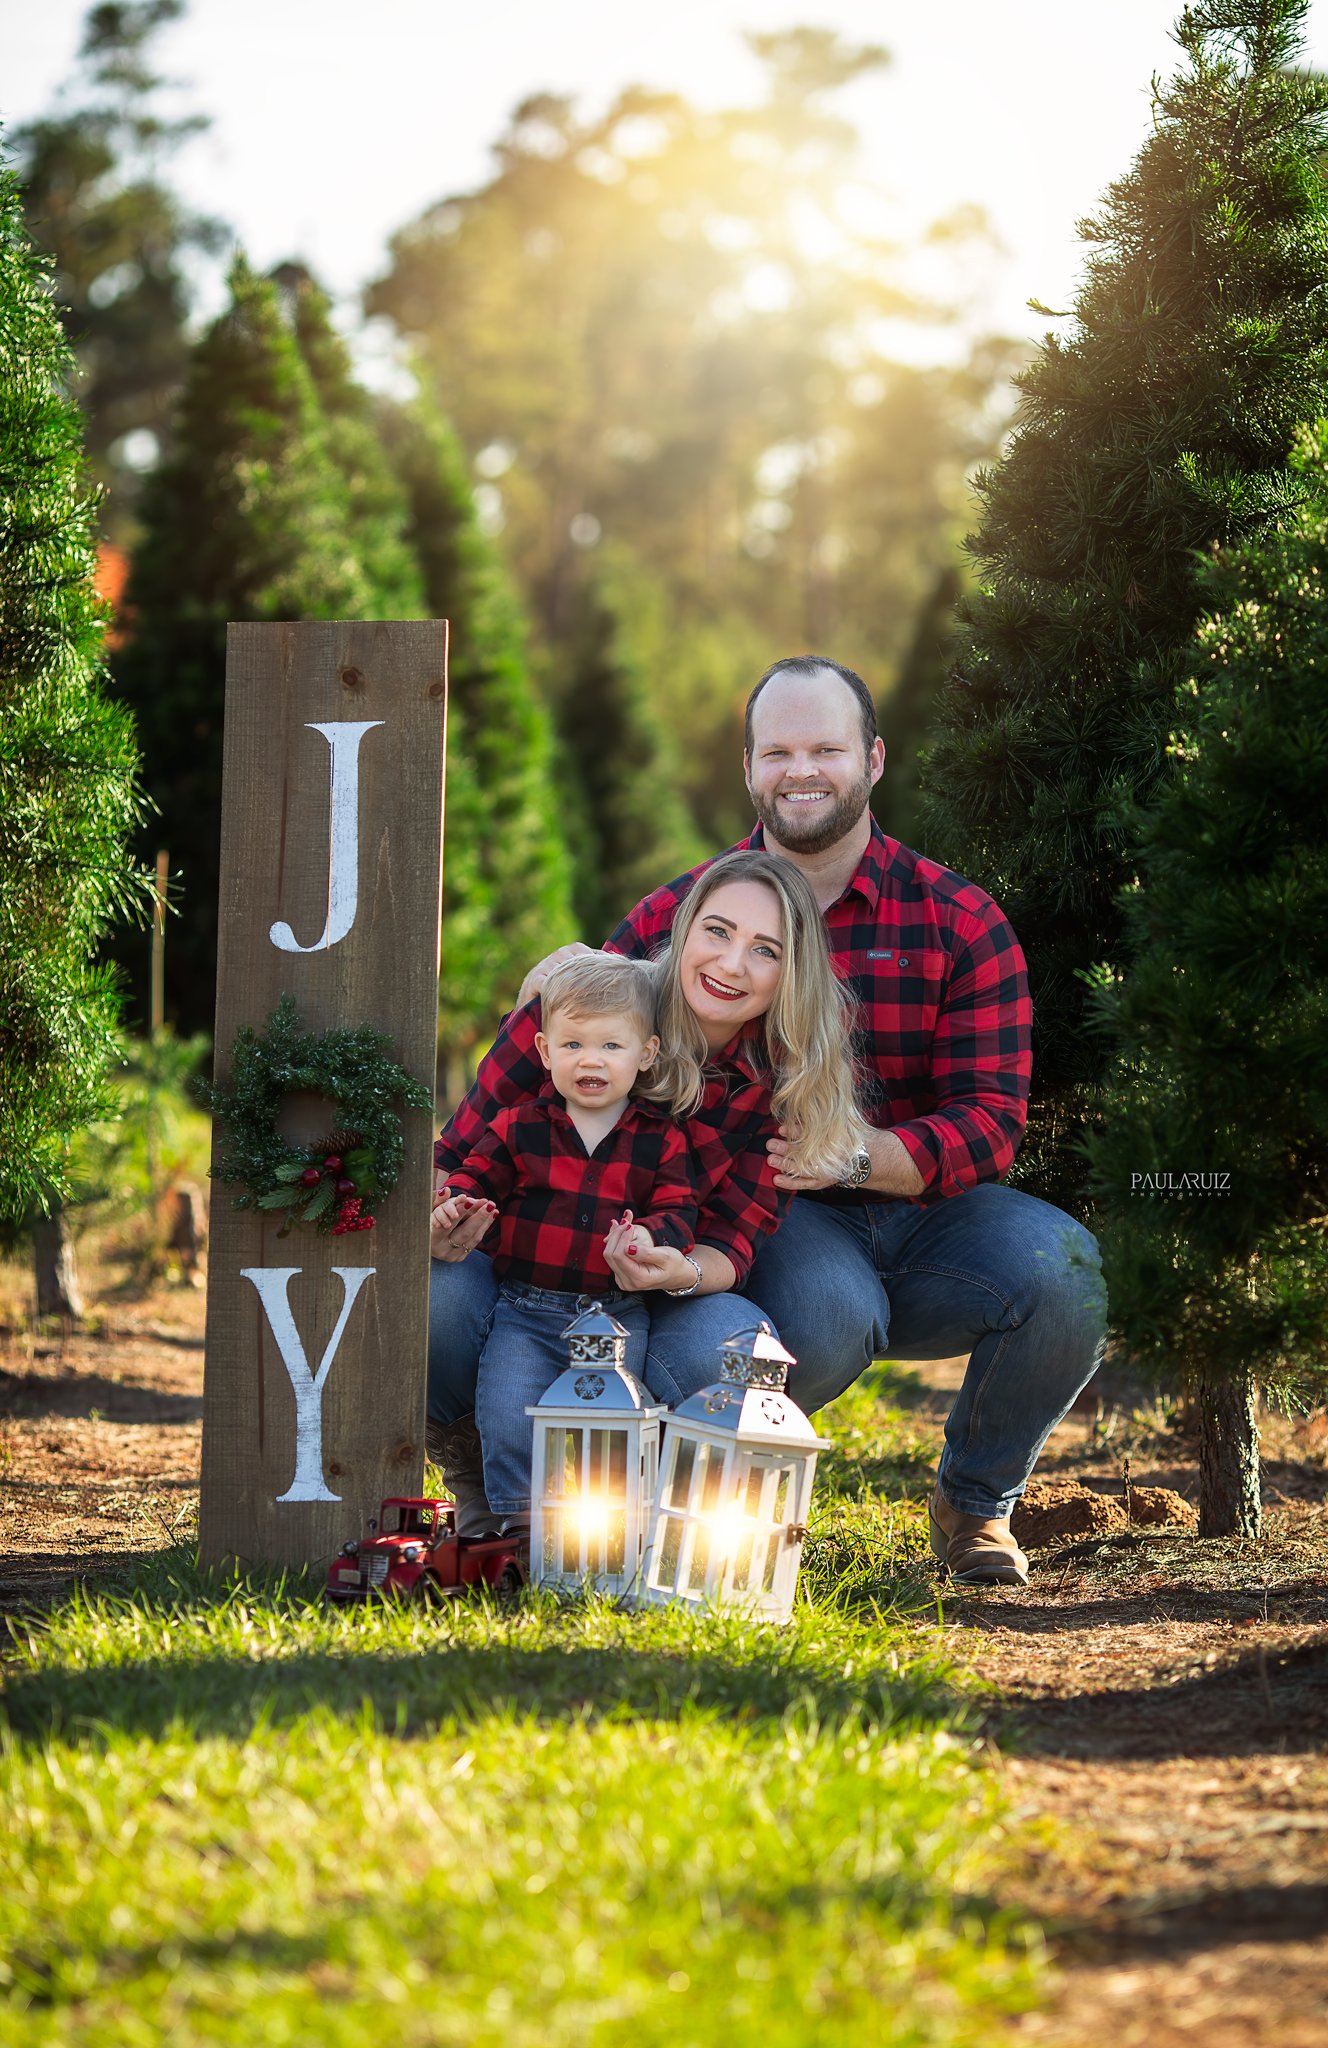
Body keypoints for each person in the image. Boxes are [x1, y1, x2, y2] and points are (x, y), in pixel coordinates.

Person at [529, 655, 1108, 1587]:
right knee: (829, 1321)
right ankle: (711, 1492)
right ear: (751, 768)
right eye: (779, 751)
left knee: (1065, 1273)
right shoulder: (685, 914)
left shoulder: (959, 919)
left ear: (873, 759)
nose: (802, 771)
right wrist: (559, 976)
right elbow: (595, 1026)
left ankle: (975, 1508)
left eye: (826, 748)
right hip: (777, 1215)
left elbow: (993, 1120)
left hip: (924, 1208)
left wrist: (867, 1154)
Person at [429, 847, 864, 1534]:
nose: (729, 964)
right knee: (435, 1296)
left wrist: (683, 1271)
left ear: (792, 974)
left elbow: (733, 1242)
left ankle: (657, 1510)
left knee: (735, 1352)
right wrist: (445, 1221)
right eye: (717, 932)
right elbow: (452, 1157)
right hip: (526, 1286)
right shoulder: (583, 1008)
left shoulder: (779, 1083)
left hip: (660, 1298)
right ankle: (486, 1484)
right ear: (685, 928)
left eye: (765, 951)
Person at [435, 953, 697, 1528]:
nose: (591, 1061)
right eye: (573, 1045)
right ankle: (516, 1528)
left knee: (611, 1430)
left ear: (646, 1054)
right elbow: (477, 1173)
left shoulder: (660, 1138)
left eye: (611, 1046)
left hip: (617, 1316)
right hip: (526, 1310)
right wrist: (457, 1200)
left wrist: (651, 1237)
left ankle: (609, 1535)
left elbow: (679, 1209)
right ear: (546, 1052)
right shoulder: (519, 1125)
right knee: (507, 1412)